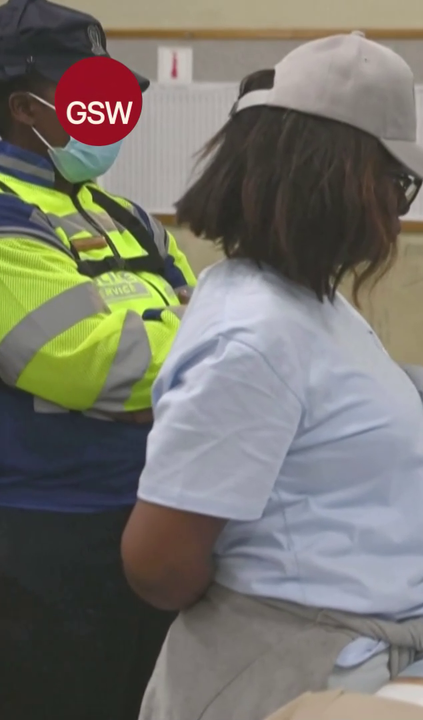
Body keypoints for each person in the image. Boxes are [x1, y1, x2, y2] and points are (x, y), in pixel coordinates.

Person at [117, 33, 423, 720]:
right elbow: (160, 563)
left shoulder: (312, 305)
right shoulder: (255, 338)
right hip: (282, 675)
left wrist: (414, 600)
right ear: (337, 179)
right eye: (397, 185)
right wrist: (287, 604)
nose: (398, 212)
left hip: (349, 654)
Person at [0, 2, 196, 719]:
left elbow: (216, 331)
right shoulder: (6, 216)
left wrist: (171, 365)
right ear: (26, 105)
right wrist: (188, 361)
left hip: (153, 516)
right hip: (47, 538)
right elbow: (85, 359)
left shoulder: (128, 216)